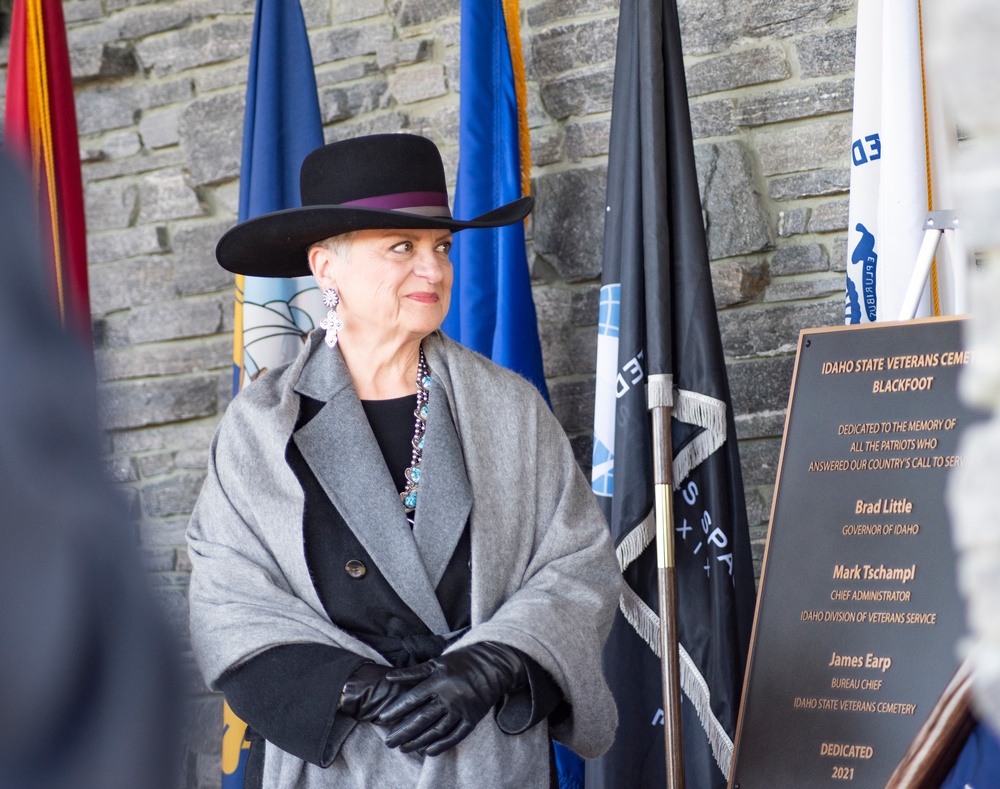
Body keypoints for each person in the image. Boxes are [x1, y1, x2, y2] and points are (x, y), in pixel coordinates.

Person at [187, 133, 621, 788]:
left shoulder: (510, 408)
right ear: (326, 268)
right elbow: (228, 599)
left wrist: (489, 668)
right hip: (337, 767)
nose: (435, 269)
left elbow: (578, 566)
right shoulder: (262, 427)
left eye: (440, 246)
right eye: (402, 247)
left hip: (487, 764)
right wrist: (363, 691)